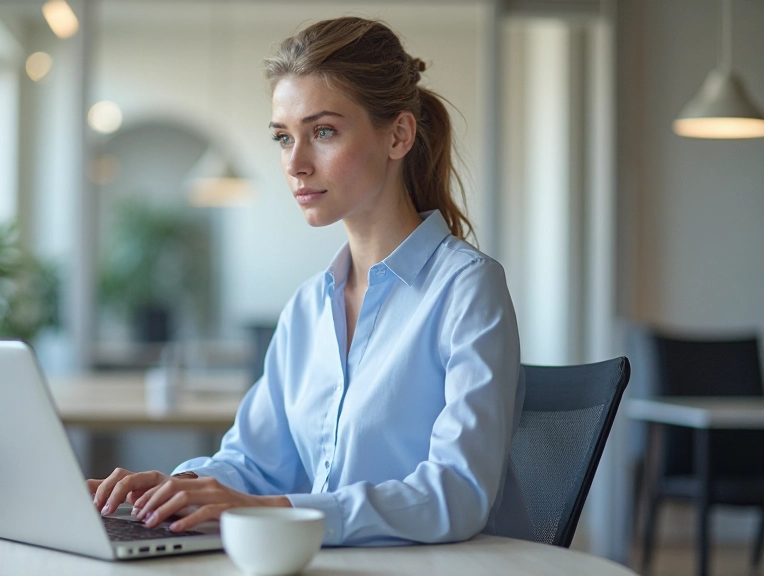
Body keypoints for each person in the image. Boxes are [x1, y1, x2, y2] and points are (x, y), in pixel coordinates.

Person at [89, 16, 533, 546]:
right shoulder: (307, 307)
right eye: (283, 137)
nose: (296, 163)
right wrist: (178, 489)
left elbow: (457, 494)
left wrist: (271, 510)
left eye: (323, 132)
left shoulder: (466, 288)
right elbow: (253, 463)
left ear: (398, 135)